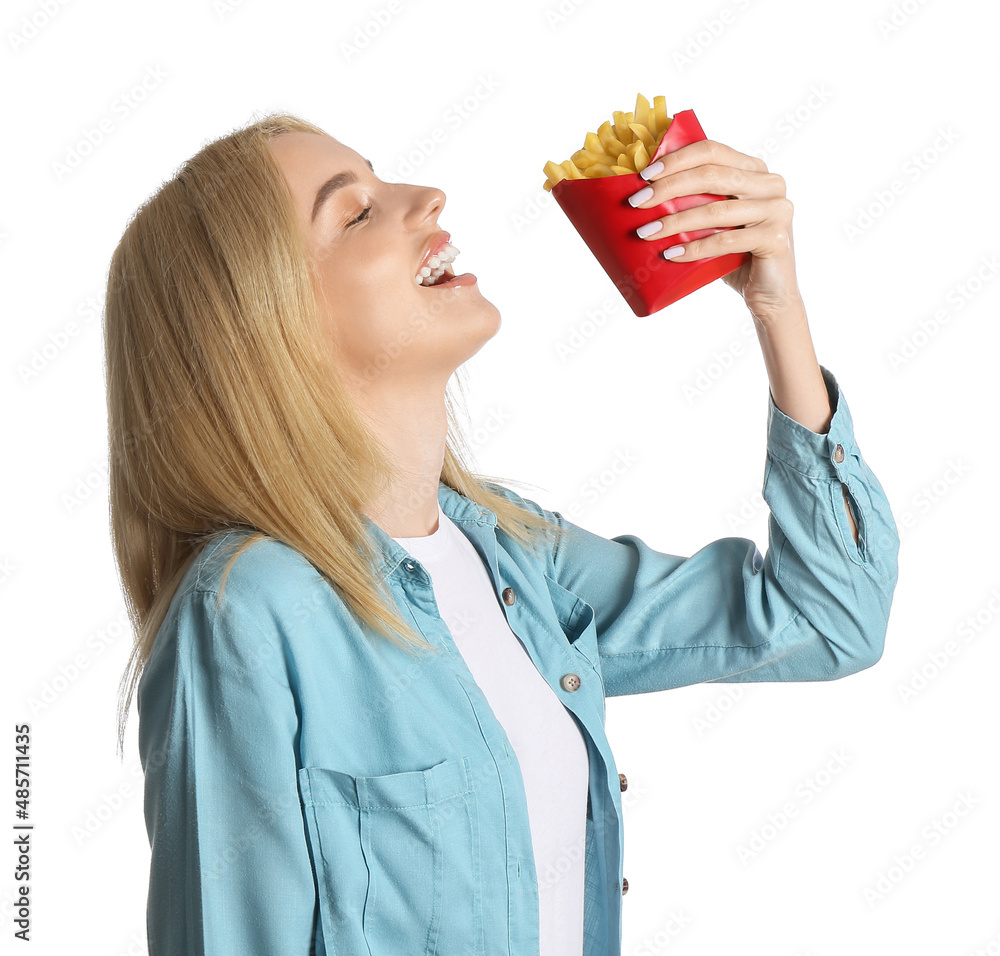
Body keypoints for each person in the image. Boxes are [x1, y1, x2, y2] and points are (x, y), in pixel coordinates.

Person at [103, 111, 900, 956]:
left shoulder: (517, 559)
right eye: (357, 212)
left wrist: (777, 305)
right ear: (265, 325)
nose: (427, 197)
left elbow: (829, 620)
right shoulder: (248, 613)